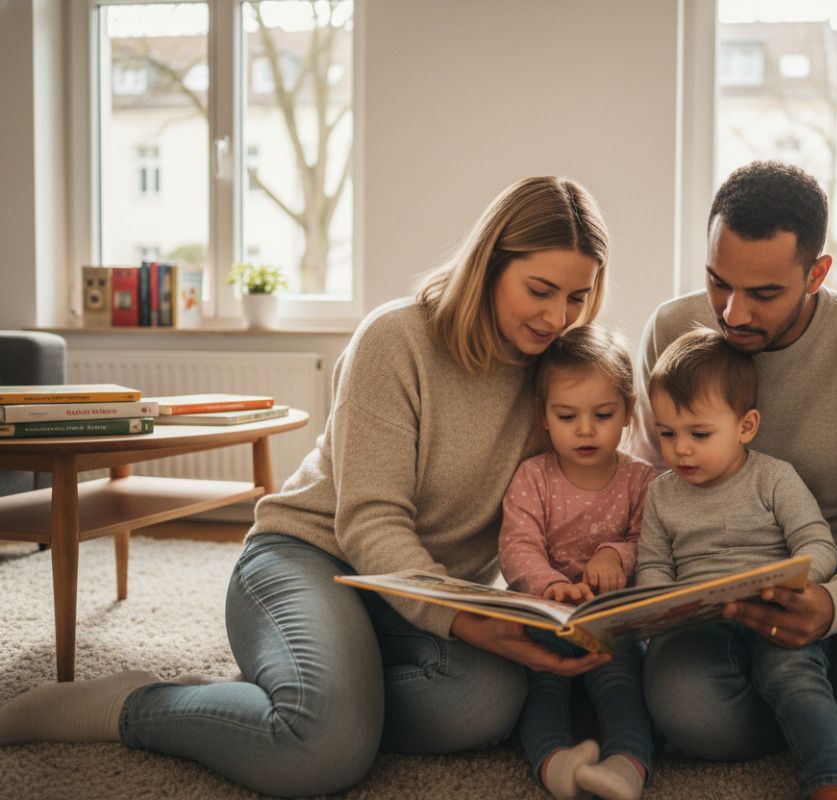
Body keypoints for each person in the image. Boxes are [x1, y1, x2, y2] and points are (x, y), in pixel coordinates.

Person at [0, 176, 615, 797]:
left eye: (576, 298)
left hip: (419, 593)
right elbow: (371, 523)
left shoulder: (558, 378)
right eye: (539, 290)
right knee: (319, 755)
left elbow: (565, 503)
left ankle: (315, 694)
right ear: (488, 266)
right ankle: (130, 703)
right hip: (310, 556)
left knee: (487, 701)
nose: (556, 317)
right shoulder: (396, 339)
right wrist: (457, 616)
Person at [633, 161, 837, 787]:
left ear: (816, 274)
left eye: (763, 294)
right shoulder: (673, 330)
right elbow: (654, 481)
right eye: (717, 282)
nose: (731, 314)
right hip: (712, 581)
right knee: (689, 719)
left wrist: (834, 604)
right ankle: (825, 702)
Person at [636, 327, 837, 800]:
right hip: (699, 620)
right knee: (668, 684)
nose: (681, 449)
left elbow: (819, 543)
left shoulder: (773, 478)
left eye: (699, 433)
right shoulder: (660, 492)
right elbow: (652, 564)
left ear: (745, 426)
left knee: (794, 674)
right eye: (667, 433)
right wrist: (659, 603)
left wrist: (796, 580)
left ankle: (831, 780)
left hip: (774, 610)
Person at [498, 323, 657, 800]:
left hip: (610, 622)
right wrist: (549, 585)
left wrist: (616, 553)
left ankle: (628, 765)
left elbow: (651, 542)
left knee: (624, 686)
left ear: (628, 412)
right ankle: (554, 763)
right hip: (543, 617)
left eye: (603, 414)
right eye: (567, 416)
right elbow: (516, 545)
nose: (585, 430)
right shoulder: (534, 475)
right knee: (540, 689)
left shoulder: (642, 480)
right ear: (544, 417)